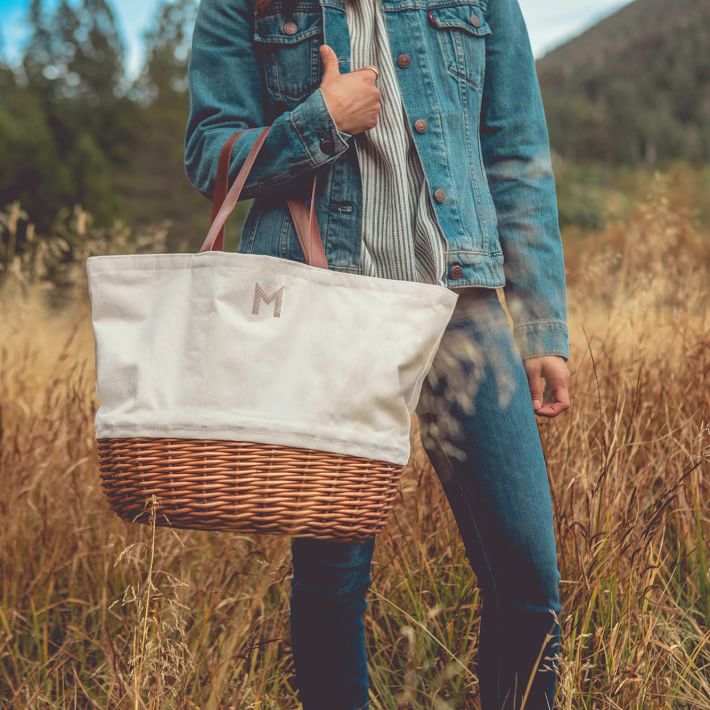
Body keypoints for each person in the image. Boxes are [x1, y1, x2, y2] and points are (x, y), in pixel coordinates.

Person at [184, 0, 571, 707]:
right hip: (328, 308)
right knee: (333, 582)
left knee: (527, 576)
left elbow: (515, 152)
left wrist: (543, 325)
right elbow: (209, 152)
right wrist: (318, 121)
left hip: (464, 308)